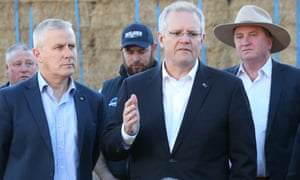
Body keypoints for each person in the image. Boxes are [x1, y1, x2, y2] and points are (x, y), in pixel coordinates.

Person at [101, 1, 257, 179]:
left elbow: (244, 160)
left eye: (192, 33)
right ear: (161, 39)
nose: (185, 39)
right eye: (176, 33)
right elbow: (110, 149)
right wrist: (127, 133)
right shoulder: (133, 87)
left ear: (202, 39)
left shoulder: (228, 87)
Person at [0, 18, 105, 180]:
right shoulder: (9, 100)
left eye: (71, 46)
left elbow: (90, 157)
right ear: (37, 54)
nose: (68, 54)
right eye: (59, 47)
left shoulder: (93, 101)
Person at [213, 4, 300, 180]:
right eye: (239, 36)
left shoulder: (294, 81)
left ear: (269, 42)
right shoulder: (220, 82)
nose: (245, 41)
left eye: (253, 34)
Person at [94, 22, 158, 180]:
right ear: (121, 51)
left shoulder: (167, 86)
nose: (136, 58)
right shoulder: (106, 90)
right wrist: (106, 176)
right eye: (130, 52)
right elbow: (95, 140)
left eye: (142, 51)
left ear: (154, 48)